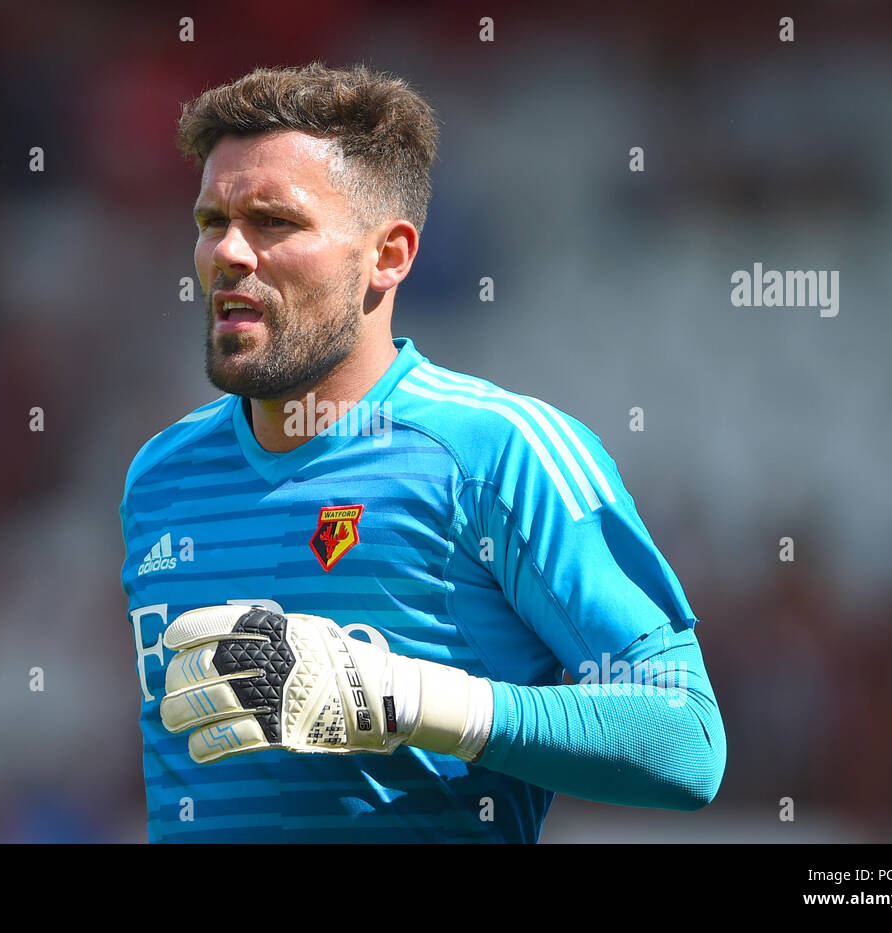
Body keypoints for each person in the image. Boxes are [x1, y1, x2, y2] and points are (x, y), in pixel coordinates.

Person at [121, 61, 725, 843]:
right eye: (212, 222)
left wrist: (401, 696)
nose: (229, 253)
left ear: (390, 256)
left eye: (273, 221)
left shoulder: (498, 453)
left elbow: (686, 740)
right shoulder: (161, 477)